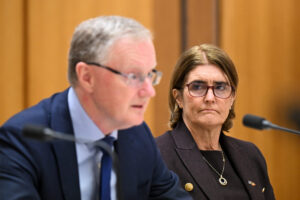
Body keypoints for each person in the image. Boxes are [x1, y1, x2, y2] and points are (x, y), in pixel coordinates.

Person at [0, 16, 192, 200]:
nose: (149, 91)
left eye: (150, 74)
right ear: (87, 77)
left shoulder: (136, 134)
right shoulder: (23, 141)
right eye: (133, 76)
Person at [156, 44, 275, 200]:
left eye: (220, 87)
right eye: (197, 86)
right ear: (178, 97)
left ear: (232, 97)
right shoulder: (158, 155)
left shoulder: (250, 155)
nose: (210, 98)